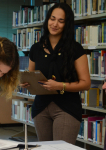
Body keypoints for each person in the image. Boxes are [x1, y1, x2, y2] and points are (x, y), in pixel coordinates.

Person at [20, 3, 91, 144]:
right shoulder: (36, 48)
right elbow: (32, 75)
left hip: (66, 108)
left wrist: (60, 85)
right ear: (47, 20)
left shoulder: (75, 49)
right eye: (52, 19)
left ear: (67, 24)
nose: (55, 24)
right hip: (41, 108)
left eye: (61, 21)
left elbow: (86, 83)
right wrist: (27, 84)